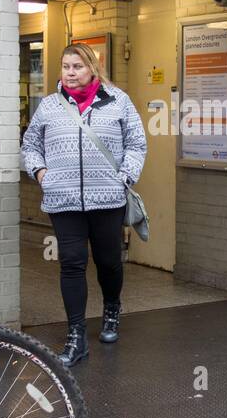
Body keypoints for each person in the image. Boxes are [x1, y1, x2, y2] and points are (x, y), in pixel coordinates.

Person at [21, 43, 147, 365]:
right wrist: (40, 172)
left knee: (108, 262)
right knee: (72, 263)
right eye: (66, 66)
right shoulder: (49, 106)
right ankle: (76, 336)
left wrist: (126, 176)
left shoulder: (118, 101)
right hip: (63, 198)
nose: (70, 72)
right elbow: (30, 143)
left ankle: (111, 309)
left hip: (107, 197)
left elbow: (136, 142)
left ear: (92, 68)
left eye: (77, 66)